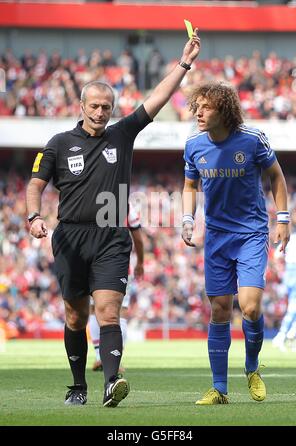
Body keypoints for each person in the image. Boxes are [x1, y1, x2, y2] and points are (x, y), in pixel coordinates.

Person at [26, 31, 201, 408]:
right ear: (82, 105)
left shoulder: (122, 134)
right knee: (75, 317)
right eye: (95, 106)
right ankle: (77, 386)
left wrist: (184, 63)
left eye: (107, 106)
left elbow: (156, 98)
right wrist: (33, 215)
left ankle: (111, 383)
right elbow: (35, 185)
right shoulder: (58, 143)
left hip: (111, 238)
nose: (101, 112)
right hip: (71, 237)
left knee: (108, 312)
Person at [181, 81, 290, 405]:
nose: (199, 112)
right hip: (216, 237)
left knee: (251, 306)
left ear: (224, 111)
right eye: (196, 106)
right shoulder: (193, 145)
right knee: (219, 309)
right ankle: (219, 388)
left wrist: (283, 218)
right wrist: (188, 220)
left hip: (252, 234)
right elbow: (189, 186)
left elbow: (276, 177)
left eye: (206, 107)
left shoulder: (252, 140)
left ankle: (252, 367)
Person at [89, 204, 144, 372]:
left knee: (94, 309)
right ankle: (114, 358)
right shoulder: (125, 205)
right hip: (118, 266)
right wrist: (140, 262)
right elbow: (138, 238)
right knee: (121, 312)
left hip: (93, 264)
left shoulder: (90, 201)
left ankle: (100, 356)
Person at [272, 206, 296, 351]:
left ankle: (292, 333)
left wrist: (281, 270)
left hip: (289, 272)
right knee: (294, 306)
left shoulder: (292, 238)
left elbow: (277, 255)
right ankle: (282, 335)